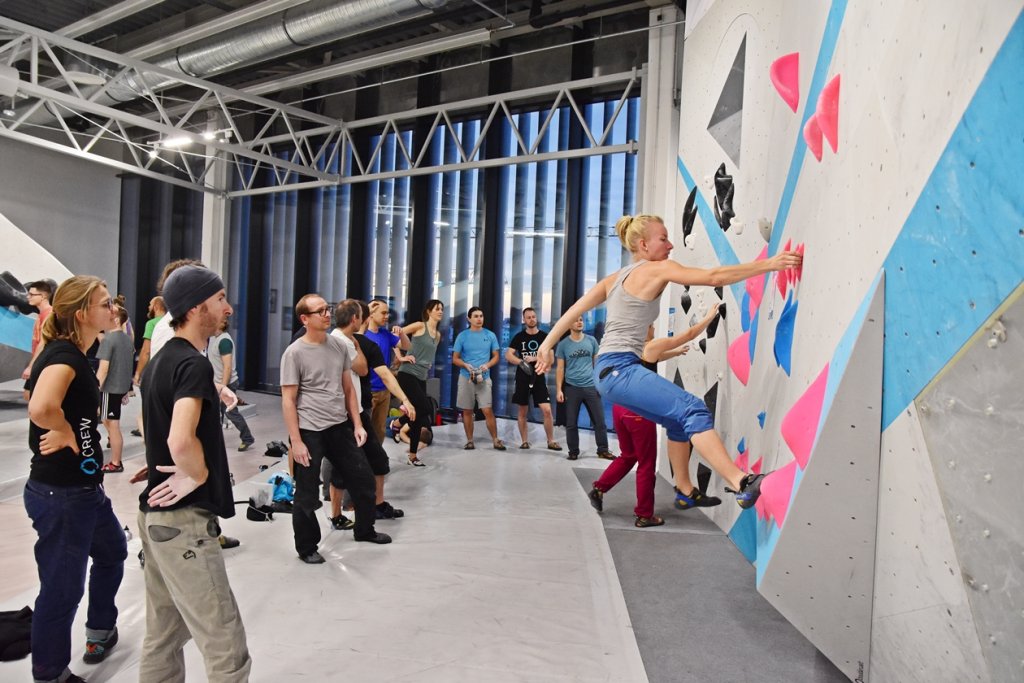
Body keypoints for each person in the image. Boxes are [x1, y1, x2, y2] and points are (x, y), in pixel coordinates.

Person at [536, 214, 801, 509]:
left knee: (677, 420)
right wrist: (769, 264)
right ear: (643, 244)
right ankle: (741, 482)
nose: (671, 244)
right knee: (694, 410)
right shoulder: (658, 268)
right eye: (663, 239)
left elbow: (574, 309)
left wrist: (547, 345)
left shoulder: (614, 279)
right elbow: (714, 277)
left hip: (607, 373)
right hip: (620, 369)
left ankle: (685, 489)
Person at [136, 265, 251, 681]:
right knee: (224, 642)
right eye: (220, 300)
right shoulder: (194, 366)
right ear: (198, 307)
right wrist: (195, 474)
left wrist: (156, 462)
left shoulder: (159, 361)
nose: (228, 308)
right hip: (183, 522)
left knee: (163, 637)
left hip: (154, 518)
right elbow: (180, 441)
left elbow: (152, 427)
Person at [24, 275, 127, 683]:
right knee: (62, 589)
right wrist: (65, 430)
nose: (113, 309)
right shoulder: (66, 356)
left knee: (112, 552)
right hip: (61, 493)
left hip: (84, 488)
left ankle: (100, 629)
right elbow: (40, 407)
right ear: (82, 313)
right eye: (105, 303)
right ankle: (49, 672)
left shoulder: (75, 353)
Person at [588, 308, 725, 527]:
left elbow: (654, 357)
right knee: (646, 464)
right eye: (650, 325)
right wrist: (709, 317)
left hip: (620, 409)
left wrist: (676, 353)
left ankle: (599, 488)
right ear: (643, 329)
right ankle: (644, 514)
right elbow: (688, 335)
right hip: (639, 413)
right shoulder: (651, 345)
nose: (653, 328)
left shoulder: (627, 350)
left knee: (628, 455)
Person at [281, 294, 391, 563]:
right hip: (309, 430)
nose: (327, 314)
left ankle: (364, 530)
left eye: (327, 309)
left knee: (363, 480)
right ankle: (306, 547)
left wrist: (356, 423)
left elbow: (348, 389)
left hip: (339, 426)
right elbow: (288, 400)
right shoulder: (294, 353)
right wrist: (296, 441)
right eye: (320, 311)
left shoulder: (339, 347)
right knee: (306, 492)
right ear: (305, 319)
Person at [327, 299, 415, 525]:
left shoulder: (358, 340)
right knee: (342, 465)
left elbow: (396, 355)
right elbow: (364, 369)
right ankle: (338, 513)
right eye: (381, 312)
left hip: (357, 410)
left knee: (376, 457)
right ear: (359, 318)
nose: (386, 316)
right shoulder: (340, 342)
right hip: (341, 414)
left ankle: (375, 506)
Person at [555, 315, 612, 461]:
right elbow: (560, 369)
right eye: (576, 320)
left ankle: (603, 450)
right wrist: (559, 390)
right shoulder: (563, 345)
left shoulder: (591, 341)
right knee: (571, 423)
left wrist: (599, 384)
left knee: (599, 421)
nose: (579, 322)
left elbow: (597, 364)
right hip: (572, 388)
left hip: (591, 387)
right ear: (569, 324)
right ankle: (573, 451)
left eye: (581, 319)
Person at [396, 299, 444, 466]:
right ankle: (398, 423)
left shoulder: (437, 335)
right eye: (437, 309)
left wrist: (428, 363)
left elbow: (429, 354)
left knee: (418, 416)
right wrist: (401, 357)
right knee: (423, 408)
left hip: (422, 376)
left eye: (442, 309)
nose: (440, 312)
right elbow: (395, 335)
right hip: (407, 373)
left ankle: (413, 456)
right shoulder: (418, 326)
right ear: (429, 312)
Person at [506, 307, 560, 450]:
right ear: (524, 320)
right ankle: (524, 441)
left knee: (547, 410)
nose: (531, 319)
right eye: (528, 317)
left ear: (537, 318)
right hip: (522, 378)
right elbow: (509, 355)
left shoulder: (544, 337)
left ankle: (551, 441)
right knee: (522, 411)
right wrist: (521, 362)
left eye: (533, 317)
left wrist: (535, 357)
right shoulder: (519, 337)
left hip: (539, 378)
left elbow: (551, 359)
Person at [452, 306, 505, 451]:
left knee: (487, 410)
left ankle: (495, 440)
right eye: (475, 316)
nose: (479, 318)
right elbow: (455, 359)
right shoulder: (462, 336)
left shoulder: (490, 335)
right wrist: (465, 365)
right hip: (466, 378)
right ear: (469, 319)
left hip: (484, 378)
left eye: (481, 316)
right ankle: (470, 441)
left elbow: (496, 357)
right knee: (467, 411)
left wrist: (487, 365)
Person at [363, 299, 412, 441]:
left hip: (384, 391)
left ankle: (376, 460)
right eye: (383, 313)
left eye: (387, 313)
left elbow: (407, 346)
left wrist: (401, 333)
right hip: (368, 390)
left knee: (379, 430)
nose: (386, 316)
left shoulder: (385, 334)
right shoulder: (363, 334)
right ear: (371, 314)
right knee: (365, 428)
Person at [208, 318, 255, 451]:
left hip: (227, 384)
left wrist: (223, 388)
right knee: (218, 413)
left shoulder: (224, 341)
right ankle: (215, 441)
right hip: (217, 383)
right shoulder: (213, 338)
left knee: (230, 413)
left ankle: (247, 438)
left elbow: (227, 367)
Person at [97, 305, 134, 473]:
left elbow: (103, 369)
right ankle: (115, 458)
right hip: (120, 387)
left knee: (112, 424)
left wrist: (95, 388)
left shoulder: (109, 340)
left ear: (117, 320)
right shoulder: (127, 339)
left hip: (110, 387)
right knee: (109, 422)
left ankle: (116, 462)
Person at [130, 296, 165, 438]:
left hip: (153, 371)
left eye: (150, 304)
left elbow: (146, 350)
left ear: (156, 306)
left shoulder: (152, 324)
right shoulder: (172, 322)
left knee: (147, 407)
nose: (148, 307)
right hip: (168, 369)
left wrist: (138, 373)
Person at [21, 279, 53, 382]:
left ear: (43, 296)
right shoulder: (42, 314)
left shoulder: (49, 314)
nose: (28, 297)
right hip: (41, 361)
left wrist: (31, 367)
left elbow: (43, 342)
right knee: (28, 394)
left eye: (31, 294)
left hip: (45, 362)